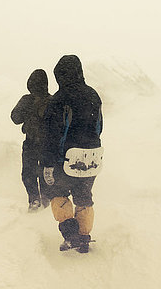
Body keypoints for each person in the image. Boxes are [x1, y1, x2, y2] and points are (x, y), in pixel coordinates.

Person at [42, 55, 103, 253]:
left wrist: (48, 162)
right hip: (92, 157)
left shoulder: (59, 99)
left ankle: (71, 235)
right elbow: (99, 126)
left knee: (57, 193)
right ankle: (84, 237)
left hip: (66, 158)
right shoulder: (94, 95)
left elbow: (51, 133)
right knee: (84, 196)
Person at [11, 69, 52, 212]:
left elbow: (15, 118)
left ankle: (34, 200)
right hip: (48, 145)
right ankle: (46, 199)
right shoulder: (53, 100)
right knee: (46, 172)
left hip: (31, 142)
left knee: (28, 172)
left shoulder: (27, 100)